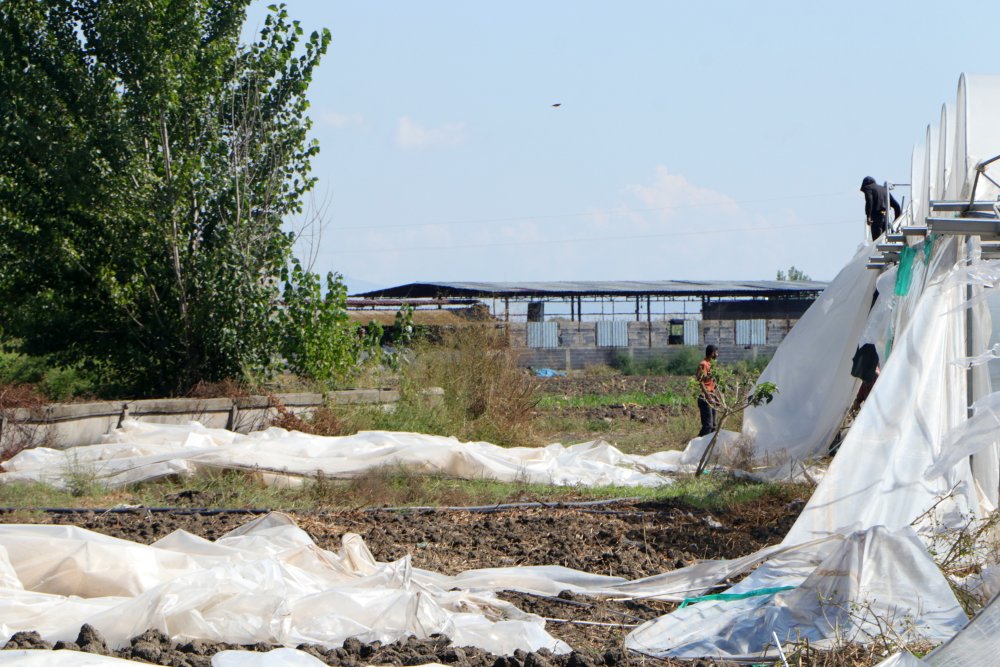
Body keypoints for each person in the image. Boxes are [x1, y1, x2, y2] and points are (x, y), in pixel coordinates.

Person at [860, 176, 902, 240]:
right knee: (886, 240)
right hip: (886, 219)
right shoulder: (884, 190)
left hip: (876, 219)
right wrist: (895, 222)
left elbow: (869, 202)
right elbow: (897, 206)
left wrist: (868, 216)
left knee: (877, 242)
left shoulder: (868, 188)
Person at [696, 344, 720, 437]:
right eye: (716, 352)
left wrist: (716, 397)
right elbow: (700, 381)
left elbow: (713, 384)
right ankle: (697, 445)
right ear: (712, 353)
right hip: (704, 397)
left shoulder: (712, 365)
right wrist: (708, 396)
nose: (717, 355)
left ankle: (708, 448)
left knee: (714, 426)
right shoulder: (703, 364)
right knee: (708, 426)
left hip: (711, 396)